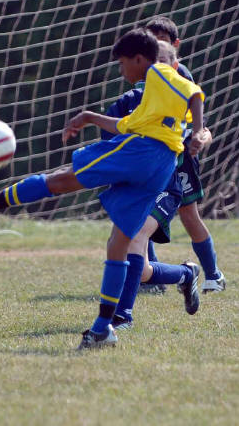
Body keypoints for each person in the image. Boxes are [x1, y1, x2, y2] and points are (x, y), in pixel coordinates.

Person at [0, 28, 206, 349]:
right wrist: (89, 117)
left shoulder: (158, 72)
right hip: (159, 165)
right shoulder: (153, 99)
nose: (121, 71)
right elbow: (124, 125)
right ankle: (103, 328)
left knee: (61, 179)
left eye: (122, 63)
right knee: (118, 245)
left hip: (141, 152)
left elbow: (194, 93)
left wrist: (199, 131)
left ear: (138, 59)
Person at [109, 40, 206, 330]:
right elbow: (112, 136)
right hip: (136, 186)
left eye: (163, 63)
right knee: (140, 268)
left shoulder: (177, 95)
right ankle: (186, 274)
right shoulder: (128, 101)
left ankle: (122, 317)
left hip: (166, 184)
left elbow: (197, 106)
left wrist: (199, 134)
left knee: (136, 235)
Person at [146, 16, 226, 293]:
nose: (156, 49)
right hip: (152, 155)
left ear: (175, 45)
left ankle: (213, 275)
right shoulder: (144, 73)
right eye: (151, 42)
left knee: (188, 215)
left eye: (162, 43)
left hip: (179, 157)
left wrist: (199, 136)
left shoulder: (179, 74)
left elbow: (196, 120)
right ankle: (152, 279)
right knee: (142, 210)